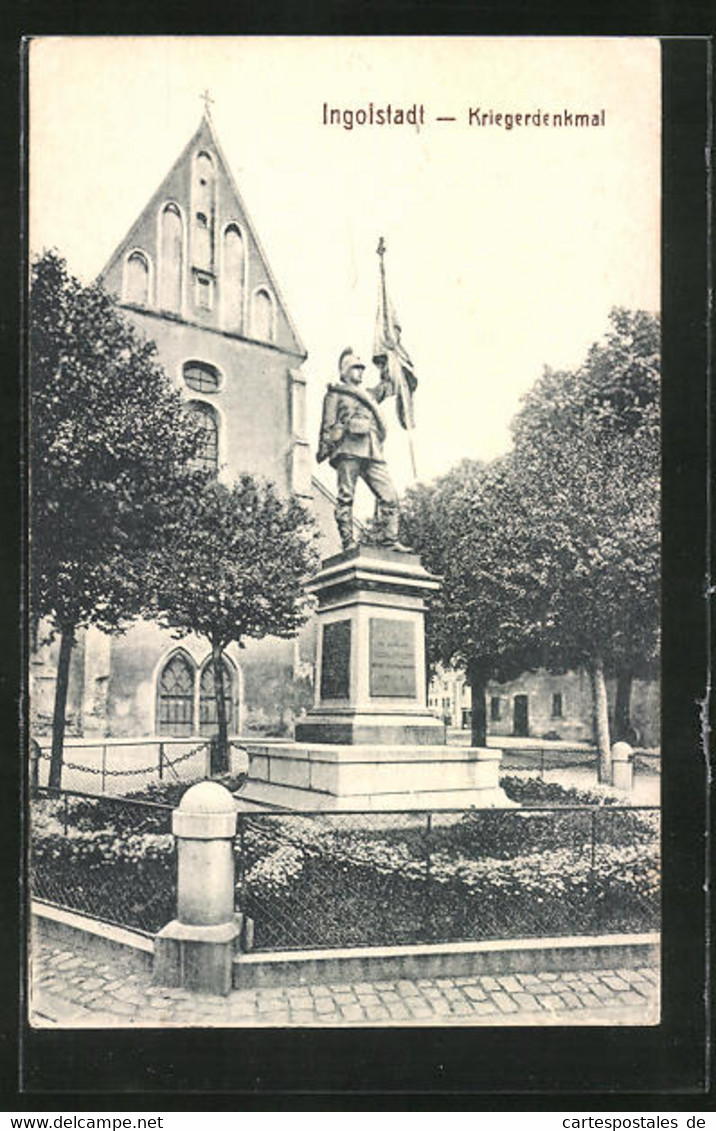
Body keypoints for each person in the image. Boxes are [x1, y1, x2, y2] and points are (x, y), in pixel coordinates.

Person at [317, 347, 410, 551]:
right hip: (348, 449)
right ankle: (348, 542)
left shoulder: (369, 395)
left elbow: (389, 385)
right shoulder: (335, 394)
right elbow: (327, 426)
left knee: (390, 496)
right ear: (345, 371)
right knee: (346, 497)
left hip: (372, 450)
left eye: (361, 368)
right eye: (355, 368)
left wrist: (389, 362)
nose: (360, 372)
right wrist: (333, 439)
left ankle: (390, 540)